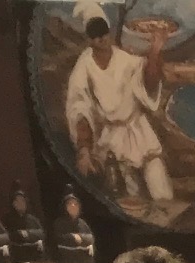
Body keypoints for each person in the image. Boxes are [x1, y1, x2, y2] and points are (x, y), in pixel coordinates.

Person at [65, 15, 172, 204]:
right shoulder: (84, 65)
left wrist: (155, 50)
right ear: (90, 40)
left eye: (104, 34)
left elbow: (149, 81)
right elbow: (79, 105)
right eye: (96, 36)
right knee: (130, 195)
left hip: (138, 130)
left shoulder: (125, 60)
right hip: (112, 138)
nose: (101, 39)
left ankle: (166, 210)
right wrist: (84, 149)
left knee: (159, 184)